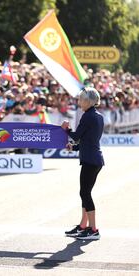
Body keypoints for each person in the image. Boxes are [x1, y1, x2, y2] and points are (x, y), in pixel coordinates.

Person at [61, 87, 104, 240]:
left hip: (90, 160)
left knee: (85, 193)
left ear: (88, 101)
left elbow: (77, 136)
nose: (79, 102)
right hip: (95, 158)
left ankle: (93, 229)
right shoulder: (98, 116)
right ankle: (83, 226)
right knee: (85, 193)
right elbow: (88, 140)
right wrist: (74, 147)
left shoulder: (87, 116)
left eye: (81, 99)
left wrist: (66, 129)